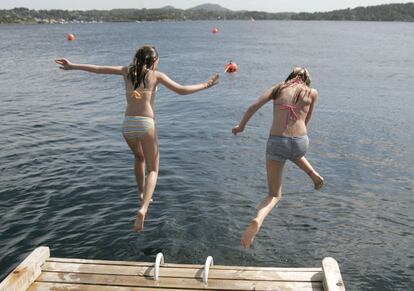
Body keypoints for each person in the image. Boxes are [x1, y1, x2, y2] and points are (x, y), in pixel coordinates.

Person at [55, 45, 219, 232]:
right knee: (154, 170)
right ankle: (144, 208)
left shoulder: (126, 71)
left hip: (127, 124)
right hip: (146, 123)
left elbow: (98, 69)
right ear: (154, 60)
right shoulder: (156, 75)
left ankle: (141, 193)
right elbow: (181, 90)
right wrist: (206, 85)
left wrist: (73, 65)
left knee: (139, 158)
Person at [232, 67, 323, 248]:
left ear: (289, 76)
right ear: (307, 80)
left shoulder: (278, 88)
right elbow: (306, 121)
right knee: (294, 153)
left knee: (274, 194)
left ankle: (259, 219)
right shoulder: (312, 93)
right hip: (300, 141)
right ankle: (313, 174)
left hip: (276, 142)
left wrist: (241, 127)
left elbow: (252, 107)